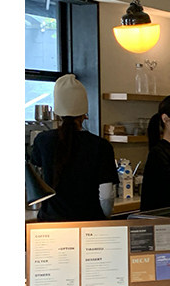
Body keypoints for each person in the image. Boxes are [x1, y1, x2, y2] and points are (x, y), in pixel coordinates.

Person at [31, 74, 117, 221]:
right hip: (89, 223)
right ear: (84, 114)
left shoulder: (42, 140)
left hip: (50, 224)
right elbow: (106, 195)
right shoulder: (101, 146)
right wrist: (104, 218)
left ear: (57, 112)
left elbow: (37, 180)